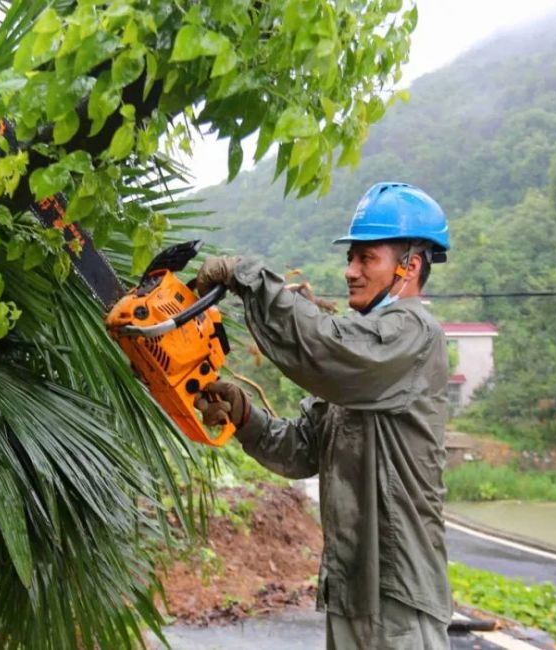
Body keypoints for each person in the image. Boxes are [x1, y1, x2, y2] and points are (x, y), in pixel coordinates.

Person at [194, 182, 452, 650]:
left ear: (409, 266)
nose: (350, 271)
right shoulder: (359, 363)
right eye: (350, 258)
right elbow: (299, 451)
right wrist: (243, 414)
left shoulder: (413, 334)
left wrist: (246, 276)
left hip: (398, 598)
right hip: (351, 591)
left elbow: (328, 349)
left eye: (366, 258)